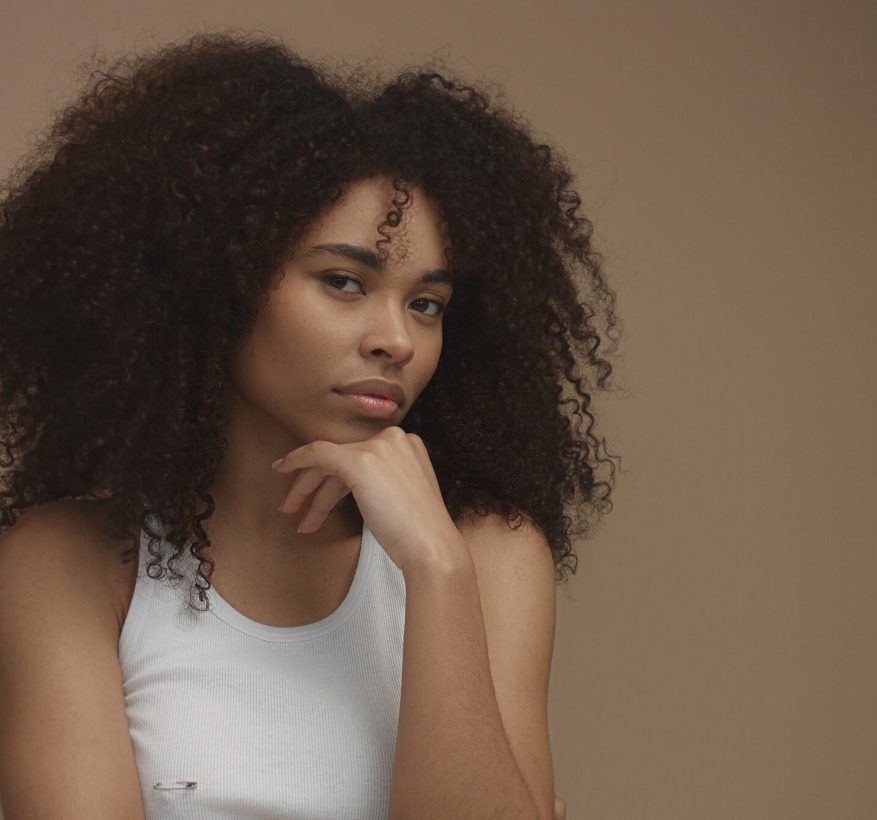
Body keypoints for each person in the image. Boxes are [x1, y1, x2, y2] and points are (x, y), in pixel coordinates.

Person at [0, 30, 619, 820]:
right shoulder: (71, 564)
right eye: (343, 281)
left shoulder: (487, 558)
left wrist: (434, 570)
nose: (396, 339)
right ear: (215, 283)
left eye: (426, 304)